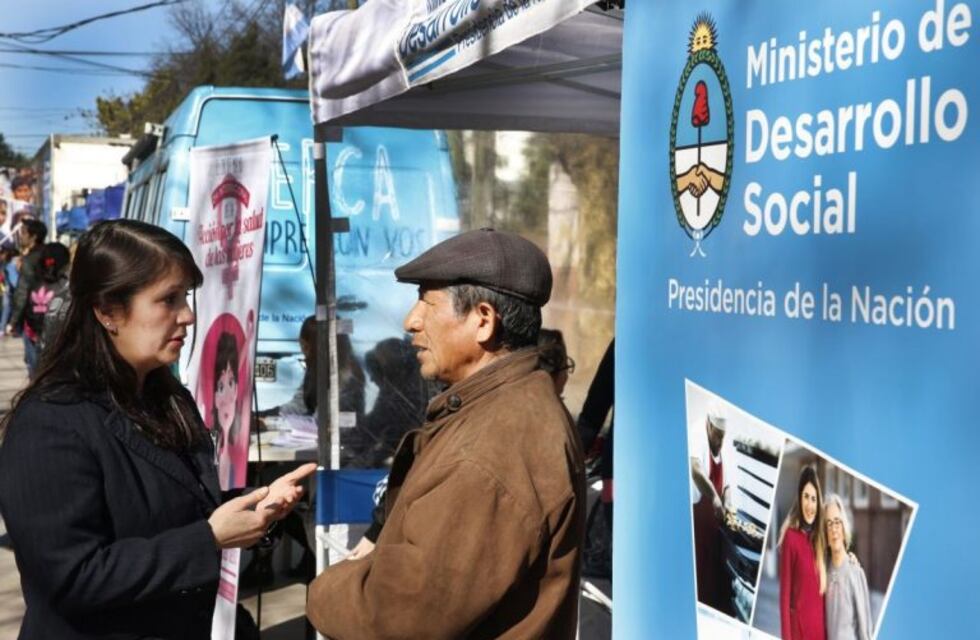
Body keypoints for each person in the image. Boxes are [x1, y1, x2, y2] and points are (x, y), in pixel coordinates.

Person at [0, 220, 315, 639]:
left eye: (186, 296)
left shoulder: (165, 396)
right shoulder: (51, 422)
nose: (187, 315)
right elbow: (70, 577)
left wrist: (256, 508)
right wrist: (208, 539)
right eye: (168, 299)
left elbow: (173, 508)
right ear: (107, 311)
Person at [307, 228, 587, 639]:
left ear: (483, 321)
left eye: (427, 301)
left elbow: (399, 616)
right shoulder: (504, 407)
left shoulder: (495, 444)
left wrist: (324, 589)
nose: (411, 321)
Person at [690, 407, 734, 614]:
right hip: (697, 523)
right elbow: (695, 470)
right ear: (708, 425)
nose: (719, 441)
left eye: (722, 436)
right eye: (717, 435)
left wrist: (727, 500)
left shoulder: (724, 450)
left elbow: (728, 485)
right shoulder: (696, 434)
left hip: (713, 530)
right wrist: (714, 497)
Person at [778, 465, 828, 640]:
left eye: (814, 499)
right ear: (799, 498)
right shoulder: (790, 538)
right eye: (806, 496)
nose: (809, 504)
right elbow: (784, 598)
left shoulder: (820, 541)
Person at [824, 493, 872, 640]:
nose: (834, 529)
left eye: (837, 522)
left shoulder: (856, 573)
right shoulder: (822, 572)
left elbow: (865, 631)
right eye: (829, 523)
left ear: (844, 529)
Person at [6, 218, 47, 376]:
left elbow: (23, 291)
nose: (20, 236)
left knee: (34, 366)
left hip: (33, 318)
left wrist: (13, 321)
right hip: (53, 314)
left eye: (23, 232)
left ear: (33, 236)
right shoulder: (49, 254)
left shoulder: (30, 261)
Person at [24, 242, 71, 358]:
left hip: (34, 335)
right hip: (59, 340)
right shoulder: (66, 286)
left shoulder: (35, 282)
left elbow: (27, 307)